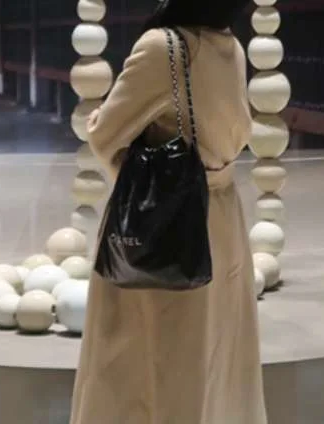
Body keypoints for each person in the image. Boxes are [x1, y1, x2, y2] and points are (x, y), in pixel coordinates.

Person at [68, 1, 268, 423]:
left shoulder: (162, 47)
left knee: (147, 362)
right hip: (221, 217)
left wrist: (109, 135)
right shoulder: (230, 45)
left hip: (168, 220)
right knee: (215, 357)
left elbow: (105, 136)